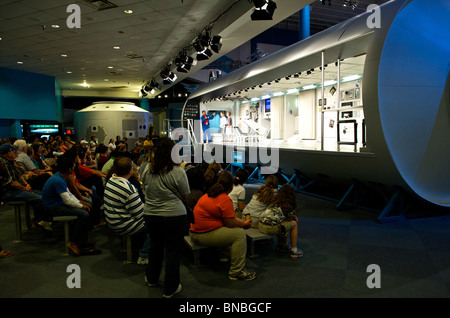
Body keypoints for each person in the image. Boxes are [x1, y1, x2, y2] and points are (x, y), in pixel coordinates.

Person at [141, 137, 190, 298]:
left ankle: (151, 278)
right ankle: (170, 288)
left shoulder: (147, 169)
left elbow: (145, 190)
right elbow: (185, 195)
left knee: (155, 246)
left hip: (151, 214)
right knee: (172, 251)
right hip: (174, 216)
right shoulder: (179, 172)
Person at [189, 170, 255, 281]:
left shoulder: (210, 194)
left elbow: (228, 218)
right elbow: (230, 223)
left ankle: (225, 255)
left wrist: (241, 222)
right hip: (200, 235)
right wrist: (243, 224)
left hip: (196, 232)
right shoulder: (224, 199)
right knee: (239, 234)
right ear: (231, 187)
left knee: (231, 229)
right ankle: (236, 272)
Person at [41, 155, 101, 256]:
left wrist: (80, 203)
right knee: (84, 214)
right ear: (69, 169)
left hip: (57, 203)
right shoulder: (58, 180)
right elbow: (67, 200)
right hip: (52, 207)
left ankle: (81, 240)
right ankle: (73, 242)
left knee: (85, 210)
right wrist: (81, 206)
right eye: (73, 166)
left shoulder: (60, 176)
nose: (74, 167)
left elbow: (68, 194)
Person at [104, 157, 150, 265]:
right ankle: (144, 255)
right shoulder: (128, 188)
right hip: (122, 224)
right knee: (155, 223)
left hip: (112, 220)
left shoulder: (111, 180)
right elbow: (140, 214)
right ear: (131, 171)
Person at [0, 143, 51, 230]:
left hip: (18, 188)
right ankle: (39, 221)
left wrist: (26, 185)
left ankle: (42, 219)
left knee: (42, 195)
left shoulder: (10, 161)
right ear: (8, 153)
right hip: (9, 192)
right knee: (38, 198)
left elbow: (19, 176)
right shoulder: (3, 164)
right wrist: (25, 188)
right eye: (13, 151)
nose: (16, 152)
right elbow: (12, 183)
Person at [258, 184, 303, 259]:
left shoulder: (275, 201)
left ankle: (281, 245)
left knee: (282, 223)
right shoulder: (287, 206)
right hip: (269, 228)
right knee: (293, 224)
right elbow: (293, 220)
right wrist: (294, 216)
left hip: (261, 225)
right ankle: (294, 251)